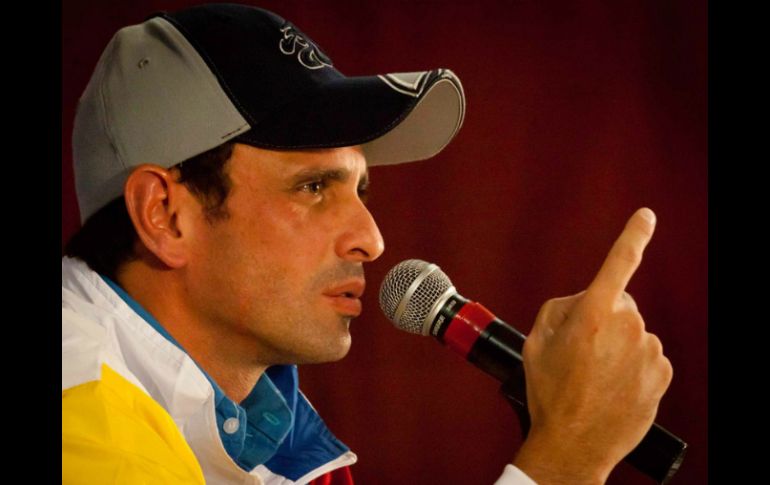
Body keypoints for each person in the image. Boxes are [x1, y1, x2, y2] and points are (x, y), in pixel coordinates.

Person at [62, 3, 672, 484]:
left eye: (360, 189)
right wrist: (564, 460)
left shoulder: (260, 424)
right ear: (166, 215)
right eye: (313, 186)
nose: (373, 241)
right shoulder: (81, 416)